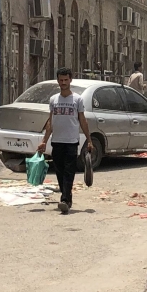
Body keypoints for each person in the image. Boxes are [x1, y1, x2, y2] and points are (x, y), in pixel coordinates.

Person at [38, 68, 93, 214]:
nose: (63, 83)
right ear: (58, 81)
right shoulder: (53, 100)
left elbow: (82, 120)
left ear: (70, 80)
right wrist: (44, 141)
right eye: (61, 80)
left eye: (66, 80)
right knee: (60, 172)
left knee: (69, 172)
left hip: (71, 142)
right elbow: (51, 122)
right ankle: (67, 198)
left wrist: (89, 140)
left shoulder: (77, 99)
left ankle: (65, 200)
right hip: (57, 142)